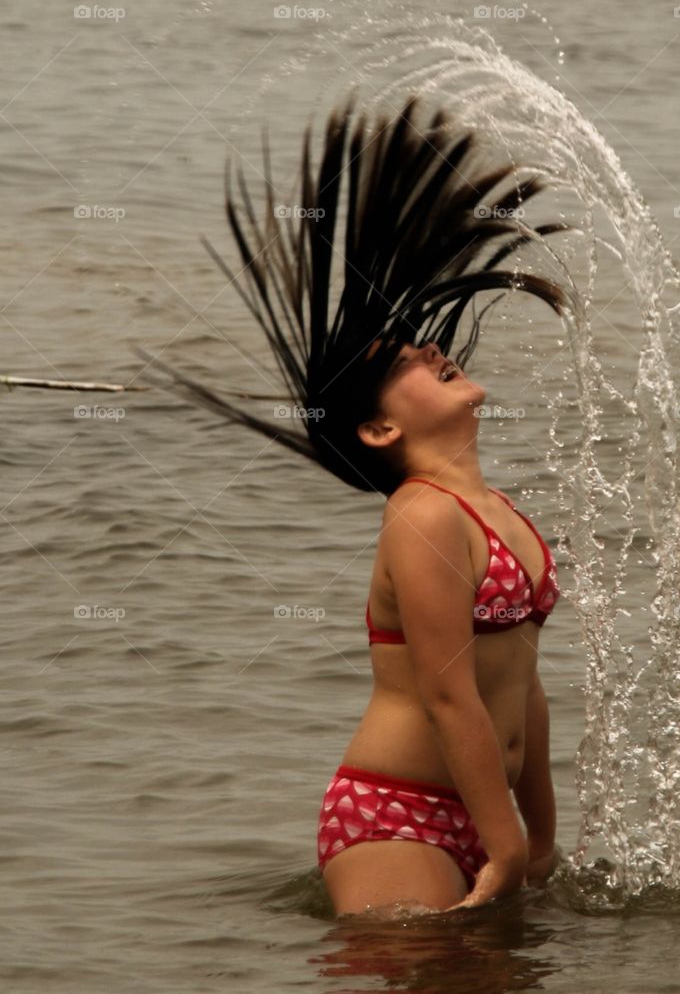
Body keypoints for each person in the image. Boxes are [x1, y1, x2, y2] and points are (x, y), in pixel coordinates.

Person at [136, 93, 571, 915]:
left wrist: (537, 833)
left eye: (421, 346)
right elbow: (448, 695)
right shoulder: (422, 515)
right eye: (405, 362)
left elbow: (525, 689)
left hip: (485, 818)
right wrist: (507, 841)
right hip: (397, 818)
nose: (432, 348)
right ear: (378, 428)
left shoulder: (501, 512)